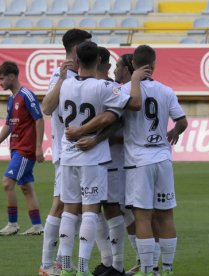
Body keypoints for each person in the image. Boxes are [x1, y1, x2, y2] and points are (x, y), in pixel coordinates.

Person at [65, 45, 187, 276]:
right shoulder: (166, 90)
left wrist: (85, 133)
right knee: (166, 215)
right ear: (154, 63)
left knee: (142, 216)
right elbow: (182, 121)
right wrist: (174, 133)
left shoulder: (125, 91)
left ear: (132, 66)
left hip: (139, 160)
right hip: (162, 157)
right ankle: (168, 269)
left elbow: (115, 116)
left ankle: (148, 270)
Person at [58, 41, 150, 276]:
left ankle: (67, 267)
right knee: (93, 211)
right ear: (99, 61)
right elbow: (131, 107)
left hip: (69, 154)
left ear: (77, 61)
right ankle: (84, 268)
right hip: (94, 157)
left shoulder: (66, 84)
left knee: (71, 210)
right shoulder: (104, 88)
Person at [39, 29, 92, 276]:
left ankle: (62, 263)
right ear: (75, 49)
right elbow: (47, 107)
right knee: (60, 206)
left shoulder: (82, 75)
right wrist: (61, 79)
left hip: (81, 153)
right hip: (65, 153)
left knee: (76, 209)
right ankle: (48, 265)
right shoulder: (59, 75)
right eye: (87, 46)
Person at [0, 61, 45, 237]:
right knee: (26, 187)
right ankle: (37, 226)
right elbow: (9, 124)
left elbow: (39, 119)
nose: (0, 82)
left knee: (7, 183)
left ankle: (12, 224)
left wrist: (38, 147)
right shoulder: (12, 98)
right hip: (16, 148)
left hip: (26, 150)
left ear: (12, 77)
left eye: (2, 78)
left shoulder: (26, 95)